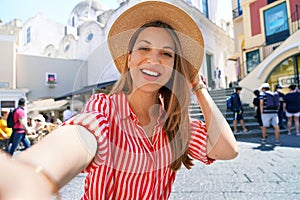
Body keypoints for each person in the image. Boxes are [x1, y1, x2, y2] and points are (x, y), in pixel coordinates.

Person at [0, 2, 238, 199]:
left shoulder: (173, 124)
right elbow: (82, 134)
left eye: (166, 54)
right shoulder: (104, 107)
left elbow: (227, 150)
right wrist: (35, 172)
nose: (154, 59)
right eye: (144, 49)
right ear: (129, 60)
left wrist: (197, 86)